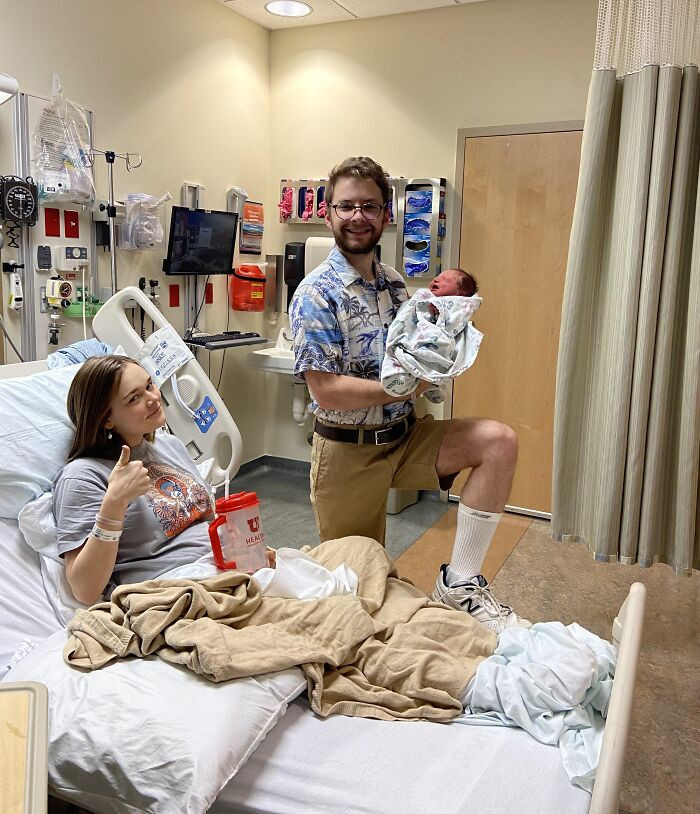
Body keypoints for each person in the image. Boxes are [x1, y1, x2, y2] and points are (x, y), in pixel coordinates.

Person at [289, 156, 526, 633]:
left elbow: (419, 347)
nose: (358, 216)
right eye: (346, 206)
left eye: (369, 206)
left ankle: (459, 584)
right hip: (347, 454)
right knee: (358, 600)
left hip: (404, 435)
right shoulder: (316, 294)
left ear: (387, 215)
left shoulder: (397, 285)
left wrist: (445, 355)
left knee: (498, 441)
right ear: (327, 212)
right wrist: (403, 385)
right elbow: (327, 391)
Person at [53, 355, 274, 605]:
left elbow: (208, 523)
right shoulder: (83, 475)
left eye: (149, 386)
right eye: (134, 398)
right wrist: (114, 503)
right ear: (105, 419)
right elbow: (84, 589)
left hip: (225, 571)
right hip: (172, 592)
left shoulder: (170, 446)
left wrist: (245, 551)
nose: (153, 399)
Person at [381, 267, 482, 403]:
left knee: (434, 354)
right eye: (437, 277)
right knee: (405, 347)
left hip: (433, 337)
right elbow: (413, 308)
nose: (436, 280)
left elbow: (452, 325)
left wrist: (442, 312)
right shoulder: (426, 295)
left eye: (445, 279)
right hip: (414, 330)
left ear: (460, 293)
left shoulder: (458, 307)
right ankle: (417, 379)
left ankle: (429, 383)